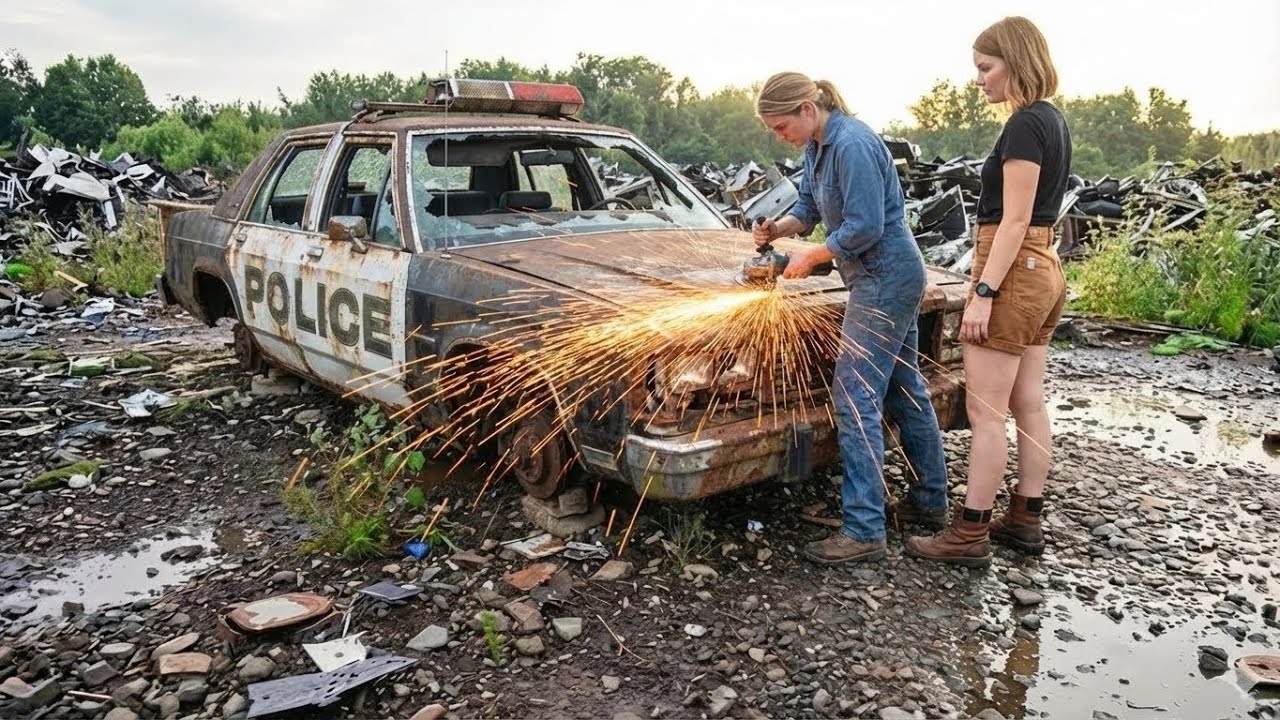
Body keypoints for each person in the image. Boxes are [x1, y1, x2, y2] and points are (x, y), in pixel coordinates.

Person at [754, 72, 949, 564]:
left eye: (781, 127)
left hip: (886, 276)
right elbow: (808, 207)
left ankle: (864, 529)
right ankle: (930, 503)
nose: (781, 136)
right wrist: (778, 228)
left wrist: (814, 256)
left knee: (854, 392)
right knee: (904, 386)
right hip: (876, 277)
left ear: (806, 108)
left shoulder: (853, 144)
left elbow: (865, 226)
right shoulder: (817, 147)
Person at [907, 16, 1070, 567]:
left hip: (1015, 269)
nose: (979, 80)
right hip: (1045, 267)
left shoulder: (1024, 124)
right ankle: (1025, 516)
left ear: (1016, 62)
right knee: (1028, 400)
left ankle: (969, 532)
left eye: (986, 67)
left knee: (985, 412)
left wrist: (983, 291)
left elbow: (1016, 216)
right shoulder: (1054, 121)